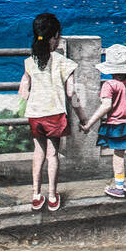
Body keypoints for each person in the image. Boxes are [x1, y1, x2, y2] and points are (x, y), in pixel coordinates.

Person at [18, 12, 85, 212]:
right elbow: (71, 92)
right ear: (55, 36)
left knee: (38, 153)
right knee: (52, 154)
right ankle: (52, 195)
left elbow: (23, 90)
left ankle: (35, 195)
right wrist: (82, 117)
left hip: (35, 115)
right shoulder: (62, 62)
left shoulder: (30, 61)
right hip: (54, 114)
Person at [81, 43, 126, 198]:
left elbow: (106, 106)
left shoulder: (109, 85)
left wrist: (89, 123)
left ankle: (118, 187)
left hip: (117, 125)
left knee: (118, 155)